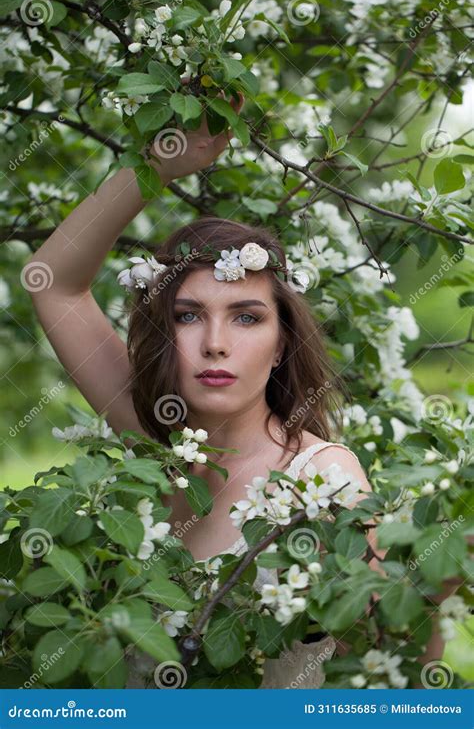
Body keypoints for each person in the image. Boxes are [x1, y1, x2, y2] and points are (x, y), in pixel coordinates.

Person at [23, 91, 373, 688]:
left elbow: (393, 647)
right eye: (187, 316)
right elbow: (51, 282)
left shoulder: (324, 479)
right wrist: (153, 166)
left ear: (282, 341)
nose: (215, 342)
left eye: (246, 317)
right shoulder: (153, 442)